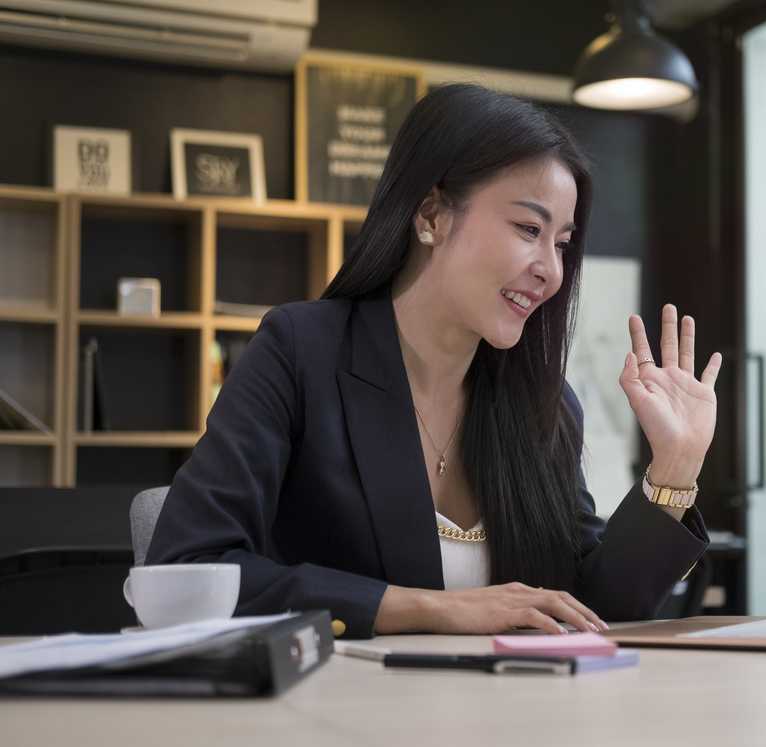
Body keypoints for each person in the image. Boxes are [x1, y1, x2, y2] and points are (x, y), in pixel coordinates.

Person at [147, 83, 723, 639]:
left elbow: (592, 610)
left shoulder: (542, 402)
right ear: (430, 216)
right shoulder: (300, 352)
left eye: (563, 242)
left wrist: (674, 467)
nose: (551, 270)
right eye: (528, 229)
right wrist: (435, 610)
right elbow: (187, 568)